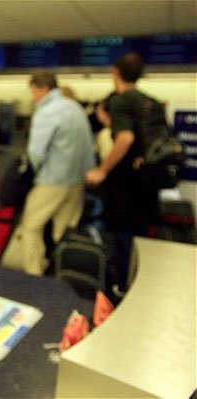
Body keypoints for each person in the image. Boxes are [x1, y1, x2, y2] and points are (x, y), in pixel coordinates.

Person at [85, 52, 159, 293]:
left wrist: (101, 169)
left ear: (116, 72)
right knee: (141, 240)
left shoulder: (119, 100)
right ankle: (141, 284)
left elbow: (125, 138)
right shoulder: (150, 102)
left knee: (121, 240)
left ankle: (121, 289)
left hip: (124, 186)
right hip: (147, 182)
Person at [19, 71, 96, 275]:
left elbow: (36, 152)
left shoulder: (46, 111)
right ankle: (63, 272)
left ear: (43, 89)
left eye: (33, 92)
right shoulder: (75, 108)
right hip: (77, 182)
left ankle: (34, 274)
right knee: (64, 232)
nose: (32, 97)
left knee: (30, 226)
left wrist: (34, 172)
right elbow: (88, 146)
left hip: (52, 180)